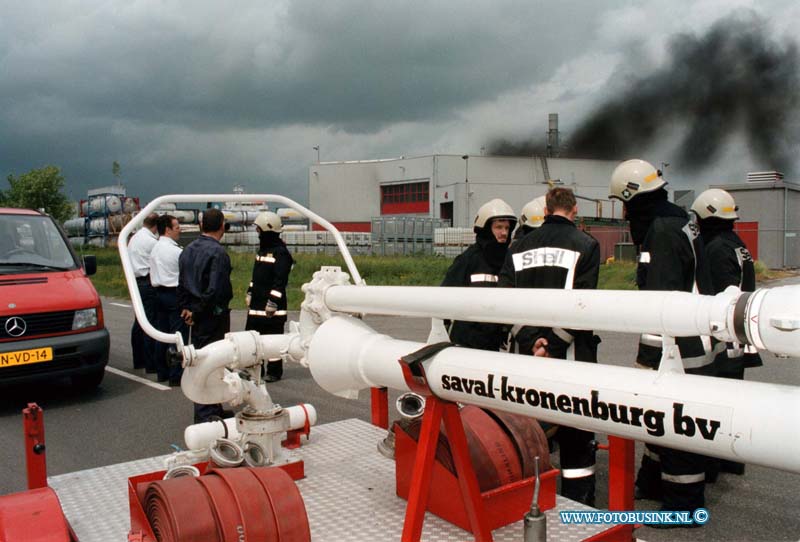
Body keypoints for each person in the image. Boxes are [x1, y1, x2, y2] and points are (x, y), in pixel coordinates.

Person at [609, 158, 715, 521]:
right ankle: (653, 483)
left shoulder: (663, 231)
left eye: (623, 204)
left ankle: (683, 504)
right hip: (693, 339)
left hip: (678, 346)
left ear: (632, 197)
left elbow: (662, 304)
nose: (623, 214)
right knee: (659, 418)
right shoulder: (677, 218)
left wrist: (646, 356)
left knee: (675, 422)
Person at [499, 187, 601, 506]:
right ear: (573, 211)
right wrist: (555, 342)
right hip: (571, 355)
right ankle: (578, 505)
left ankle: (529, 503)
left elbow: (504, 300)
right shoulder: (587, 245)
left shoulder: (518, 247)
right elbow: (584, 302)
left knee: (528, 430)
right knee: (576, 433)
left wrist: (532, 341)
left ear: (546, 209)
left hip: (527, 355)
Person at [692, 188, 762, 476]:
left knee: (715, 403)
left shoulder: (716, 248)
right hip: (740, 338)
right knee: (734, 402)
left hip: (725, 339)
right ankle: (732, 460)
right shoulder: (737, 244)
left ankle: (711, 465)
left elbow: (720, 296)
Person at [177, 208, 233, 423]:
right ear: (222, 226)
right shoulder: (218, 253)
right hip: (212, 315)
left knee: (201, 359)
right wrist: (198, 311)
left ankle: (213, 407)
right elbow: (215, 290)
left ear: (201, 225)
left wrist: (186, 310)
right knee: (212, 362)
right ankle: (206, 413)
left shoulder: (188, 249)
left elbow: (181, 283)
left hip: (195, 313)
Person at [441, 198, 516, 351]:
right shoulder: (468, 259)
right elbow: (445, 294)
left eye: (507, 228)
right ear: (486, 229)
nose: (504, 233)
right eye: (499, 227)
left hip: (497, 342)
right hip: (468, 341)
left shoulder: (510, 259)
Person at [244, 211, 294, 382]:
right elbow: (256, 276)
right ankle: (254, 369)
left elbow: (280, 281)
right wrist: (250, 291)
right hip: (256, 305)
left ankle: (274, 371)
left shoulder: (281, 253)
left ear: (267, 230)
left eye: (259, 230)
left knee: (273, 341)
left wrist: (273, 302)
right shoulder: (263, 251)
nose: (257, 234)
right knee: (252, 339)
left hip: (272, 308)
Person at [149, 214, 185, 385]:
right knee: (178, 336)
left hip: (158, 293)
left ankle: (162, 371)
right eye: (177, 227)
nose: (180, 230)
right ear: (168, 229)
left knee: (161, 334)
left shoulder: (155, 248)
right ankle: (176, 374)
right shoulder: (176, 251)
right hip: (173, 293)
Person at [127, 213, 159, 372]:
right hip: (147, 281)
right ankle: (150, 362)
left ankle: (138, 359)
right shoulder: (151, 242)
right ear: (156, 226)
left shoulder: (134, 238)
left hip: (135, 282)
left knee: (139, 322)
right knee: (149, 322)